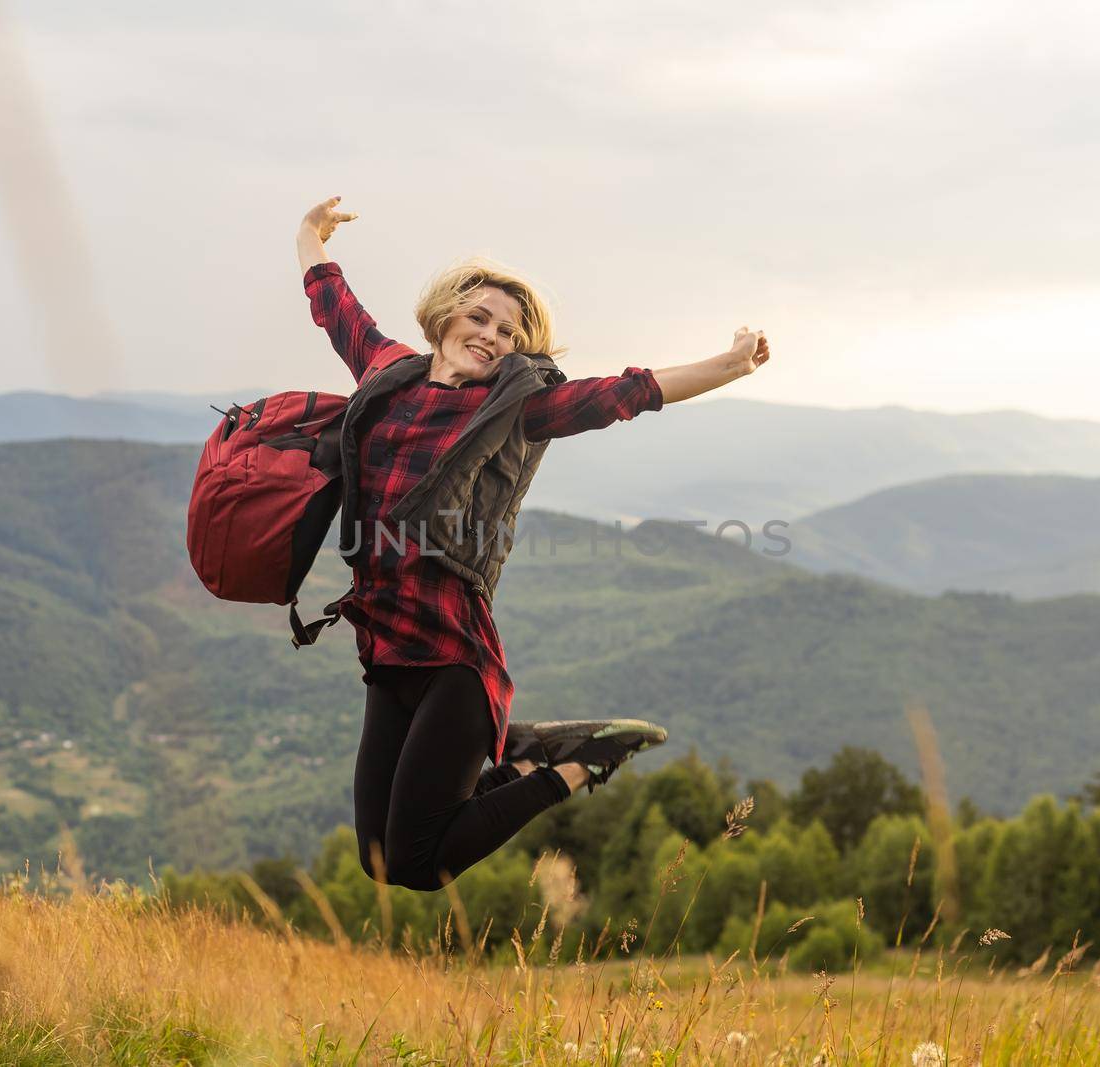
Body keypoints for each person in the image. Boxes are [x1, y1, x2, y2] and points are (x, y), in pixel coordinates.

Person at [296, 195, 772, 891]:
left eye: (510, 332)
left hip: (454, 662)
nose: (491, 335)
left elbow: (623, 394)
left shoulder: (516, 408)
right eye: (480, 316)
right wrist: (309, 235)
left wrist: (729, 365)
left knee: (423, 867)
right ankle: (516, 754)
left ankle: (582, 762)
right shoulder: (386, 372)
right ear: (446, 312)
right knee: (380, 860)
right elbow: (335, 305)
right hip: (386, 654)